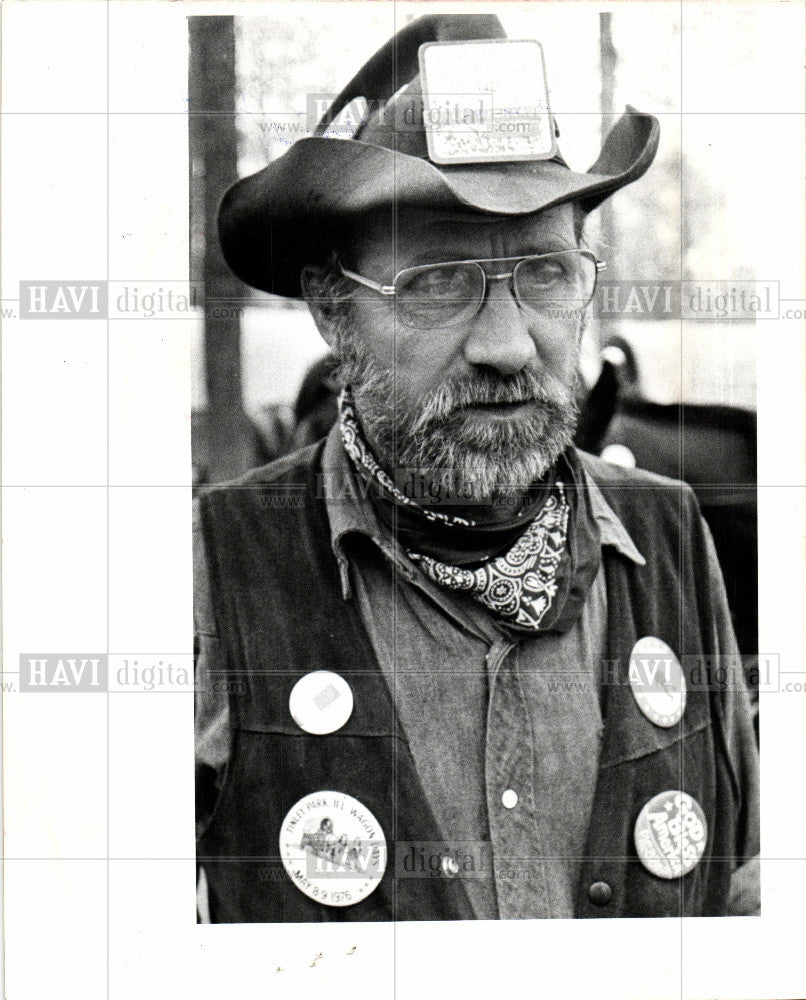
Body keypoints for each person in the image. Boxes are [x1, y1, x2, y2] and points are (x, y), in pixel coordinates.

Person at [195, 13, 759, 922]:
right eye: (439, 282)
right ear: (334, 313)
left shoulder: (670, 532)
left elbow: (747, 895)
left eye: (545, 273)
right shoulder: (216, 564)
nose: (507, 345)